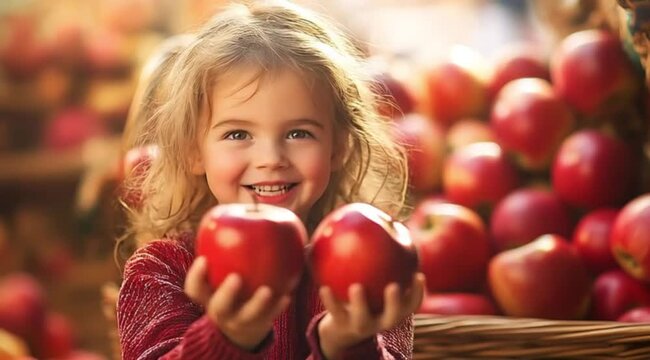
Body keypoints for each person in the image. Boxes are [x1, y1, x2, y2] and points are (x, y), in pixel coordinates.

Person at [116, 1, 425, 359]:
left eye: (298, 133)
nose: (271, 160)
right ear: (193, 151)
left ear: (338, 146)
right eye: (237, 135)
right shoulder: (160, 271)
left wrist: (344, 345)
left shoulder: (370, 261)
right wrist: (227, 339)